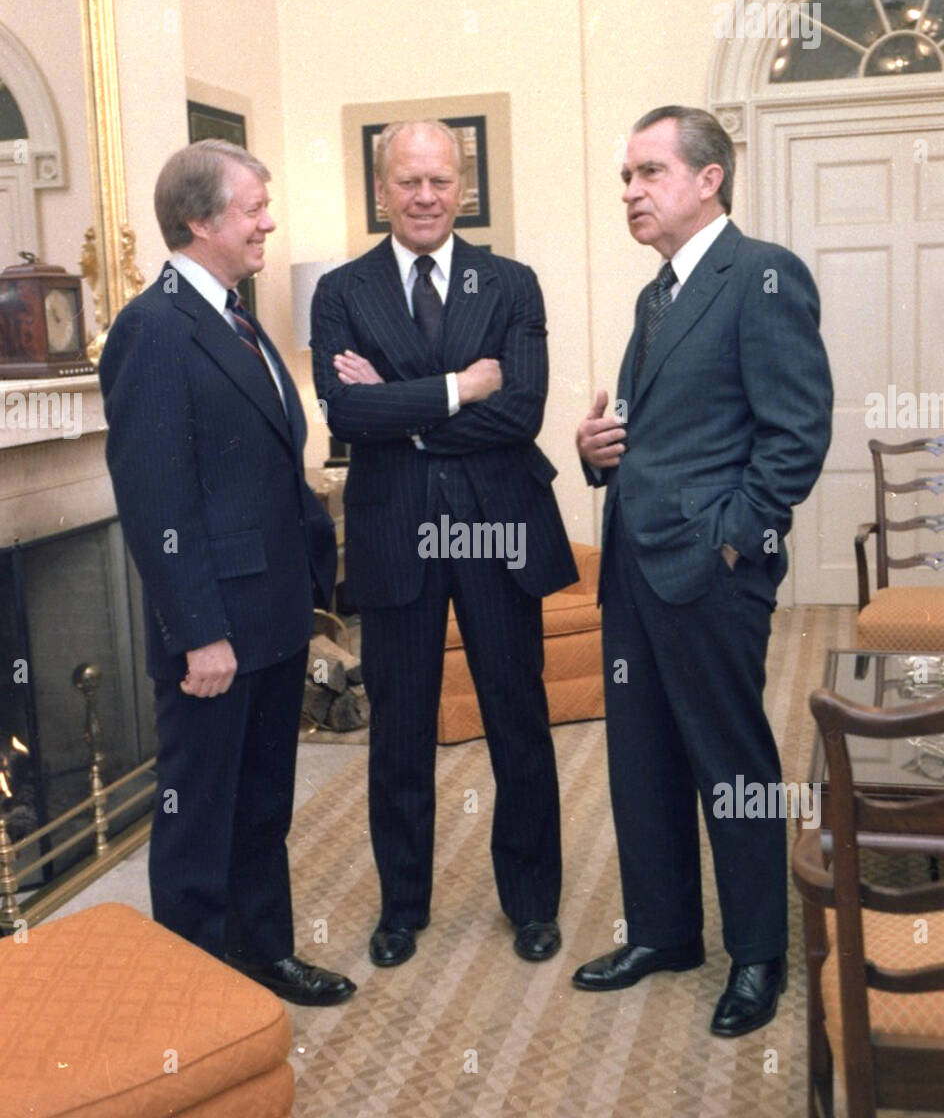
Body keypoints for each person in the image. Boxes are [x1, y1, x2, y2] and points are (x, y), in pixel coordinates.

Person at [573, 106, 832, 1036]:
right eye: (626, 179)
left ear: (708, 178)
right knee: (642, 760)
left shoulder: (762, 276)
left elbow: (797, 434)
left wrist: (734, 539)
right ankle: (665, 932)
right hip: (635, 571)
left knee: (732, 764)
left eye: (648, 173)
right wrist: (598, 452)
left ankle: (758, 954)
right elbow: (655, 436)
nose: (632, 193)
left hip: (712, 572)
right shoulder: (658, 295)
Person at [311, 119, 577, 967]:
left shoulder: (512, 283)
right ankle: (402, 909)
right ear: (381, 190)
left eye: (440, 181)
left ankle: (532, 902)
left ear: (462, 187)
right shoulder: (342, 293)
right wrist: (460, 389)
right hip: (394, 536)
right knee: (398, 732)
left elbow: (524, 409)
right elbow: (347, 417)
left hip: (498, 527)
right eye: (408, 182)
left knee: (518, 724)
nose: (424, 197)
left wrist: (406, 409)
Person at [99, 139, 355, 1007]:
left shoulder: (232, 317)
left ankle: (262, 956)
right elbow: (156, 500)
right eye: (253, 209)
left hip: (273, 617)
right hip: (215, 631)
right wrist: (198, 632)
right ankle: (196, 1002)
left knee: (260, 807)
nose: (268, 222)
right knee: (198, 818)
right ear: (201, 219)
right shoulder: (153, 328)